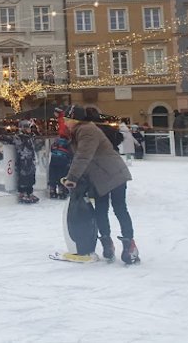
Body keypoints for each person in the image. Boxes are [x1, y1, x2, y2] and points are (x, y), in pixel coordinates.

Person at [62, 105, 139, 265]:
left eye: (67, 119)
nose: (65, 122)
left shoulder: (86, 130)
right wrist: (72, 177)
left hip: (114, 174)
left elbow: (84, 155)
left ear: (74, 120)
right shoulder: (80, 131)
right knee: (101, 210)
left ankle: (129, 245)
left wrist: (73, 177)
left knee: (119, 208)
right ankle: (107, 243)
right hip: (100, 177)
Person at [0, 120, 40, 203]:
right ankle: (22, 193)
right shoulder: (18, 137)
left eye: (30, 128)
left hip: (30, 159)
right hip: (22, 160)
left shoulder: (31, 136)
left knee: (31, 176)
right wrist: (0, 137)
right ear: (23, 128)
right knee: (23, 176)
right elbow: (9, 139)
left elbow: (37, 140)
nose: (30, 129)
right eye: (28, 128)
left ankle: (29, 192)